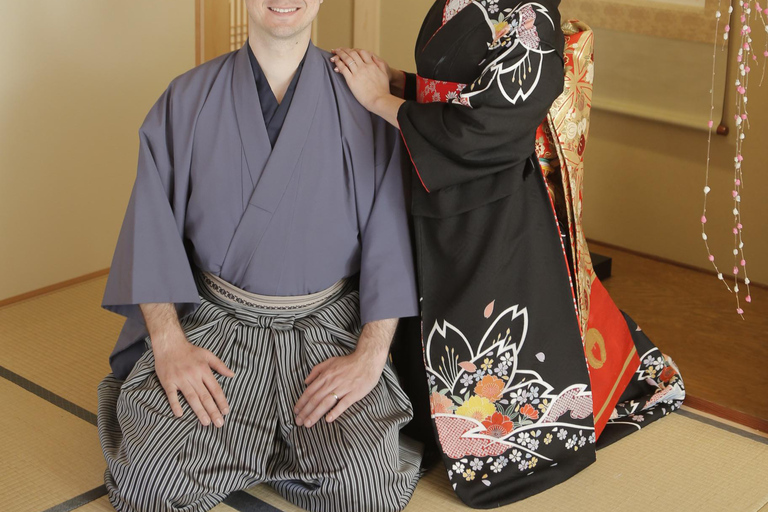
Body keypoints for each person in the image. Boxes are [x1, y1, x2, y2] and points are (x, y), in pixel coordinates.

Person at [331, 0, 685, 507]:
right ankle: (435, 427)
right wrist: (401, 82)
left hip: (492, 201)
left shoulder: (531, 14)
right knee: (436, 312)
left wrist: (381, 102)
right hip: (444, 186)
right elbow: (460, 86)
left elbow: (490, 124)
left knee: (483, 327)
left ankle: (508, 441)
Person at [95, 1, 425, 511]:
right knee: (148, 486)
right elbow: (150, 229)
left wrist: (369, 356)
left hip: (325, 333)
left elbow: (391, 240)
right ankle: (279, 457)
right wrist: (168, 343)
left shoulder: (365, 100)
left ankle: (258, 456)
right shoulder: (186, 98)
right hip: (217, 330)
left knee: (367, 491)